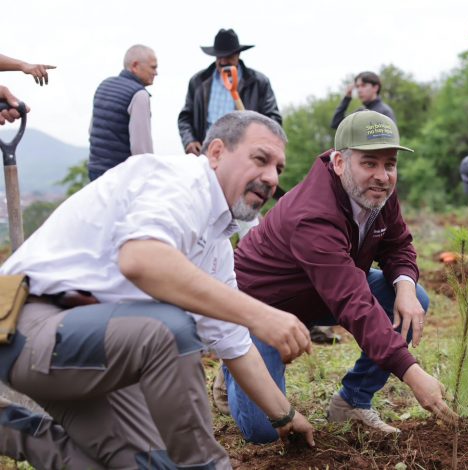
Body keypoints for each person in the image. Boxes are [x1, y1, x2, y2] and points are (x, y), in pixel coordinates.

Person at [0, 111, 315, 469]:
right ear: (216, 153)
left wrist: (285, 416)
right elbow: (142, 260)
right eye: (261, 159)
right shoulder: (176, 182)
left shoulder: (215, 242)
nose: (271, 177)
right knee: (168, 328)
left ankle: (11, 430)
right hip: (27, 327)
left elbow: (232, 341)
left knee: (149, 463)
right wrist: (260, 314)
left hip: (94, 350)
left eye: (278, 168)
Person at [225, 110, 455, 443]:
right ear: (339, 163)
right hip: (260, 305)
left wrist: (404, 286)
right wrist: (412, 373)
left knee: (413, 297)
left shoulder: (379, 194)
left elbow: (398, 245)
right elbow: (352, 301)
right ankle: (235, 360)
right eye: (369, 163)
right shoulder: (312, 215)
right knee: (265, 431)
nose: (382, 175)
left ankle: (352, 401)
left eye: (389, 164)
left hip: (320, 292)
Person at [179, 28, 282, 156]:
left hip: (243, 154)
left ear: (238, 55)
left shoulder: (258, 82)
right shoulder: (198, 81)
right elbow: (185, 117)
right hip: (206, 153)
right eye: (219, 57)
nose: (222, 61)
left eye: (228, 56)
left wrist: (260, 147)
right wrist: (189, 141)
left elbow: (273, 120)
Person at [88, 45, 158, 181]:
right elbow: (141, 150)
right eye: (153, 67)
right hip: (119, 176)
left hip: (95, 171)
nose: (156, 73)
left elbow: (91, 130)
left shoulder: (104, 85)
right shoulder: (139, 94)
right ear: (135, 65)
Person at [330, 71, 395, 129]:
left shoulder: (385, 112)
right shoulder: (360, 112)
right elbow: (336, 124)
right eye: (357, 86)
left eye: (363, 85)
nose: (359, 90)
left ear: (375, 87)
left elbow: (391, 141)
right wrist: (347, 98)